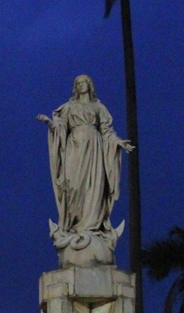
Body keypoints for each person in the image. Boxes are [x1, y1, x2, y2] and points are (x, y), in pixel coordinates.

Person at [37, 74, 133, 241]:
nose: (81, 85)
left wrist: (119, 142)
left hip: (94, 151)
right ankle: (74, 227)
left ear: (90, 85)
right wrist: (49, 123)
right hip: (74, 149)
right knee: (73, 186)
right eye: (78, 83)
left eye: (84, 82)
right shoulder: (69, 107)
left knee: (95, 188)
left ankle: (91, 227)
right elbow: (60, 128)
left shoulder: (99, 107)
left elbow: (107, 131)